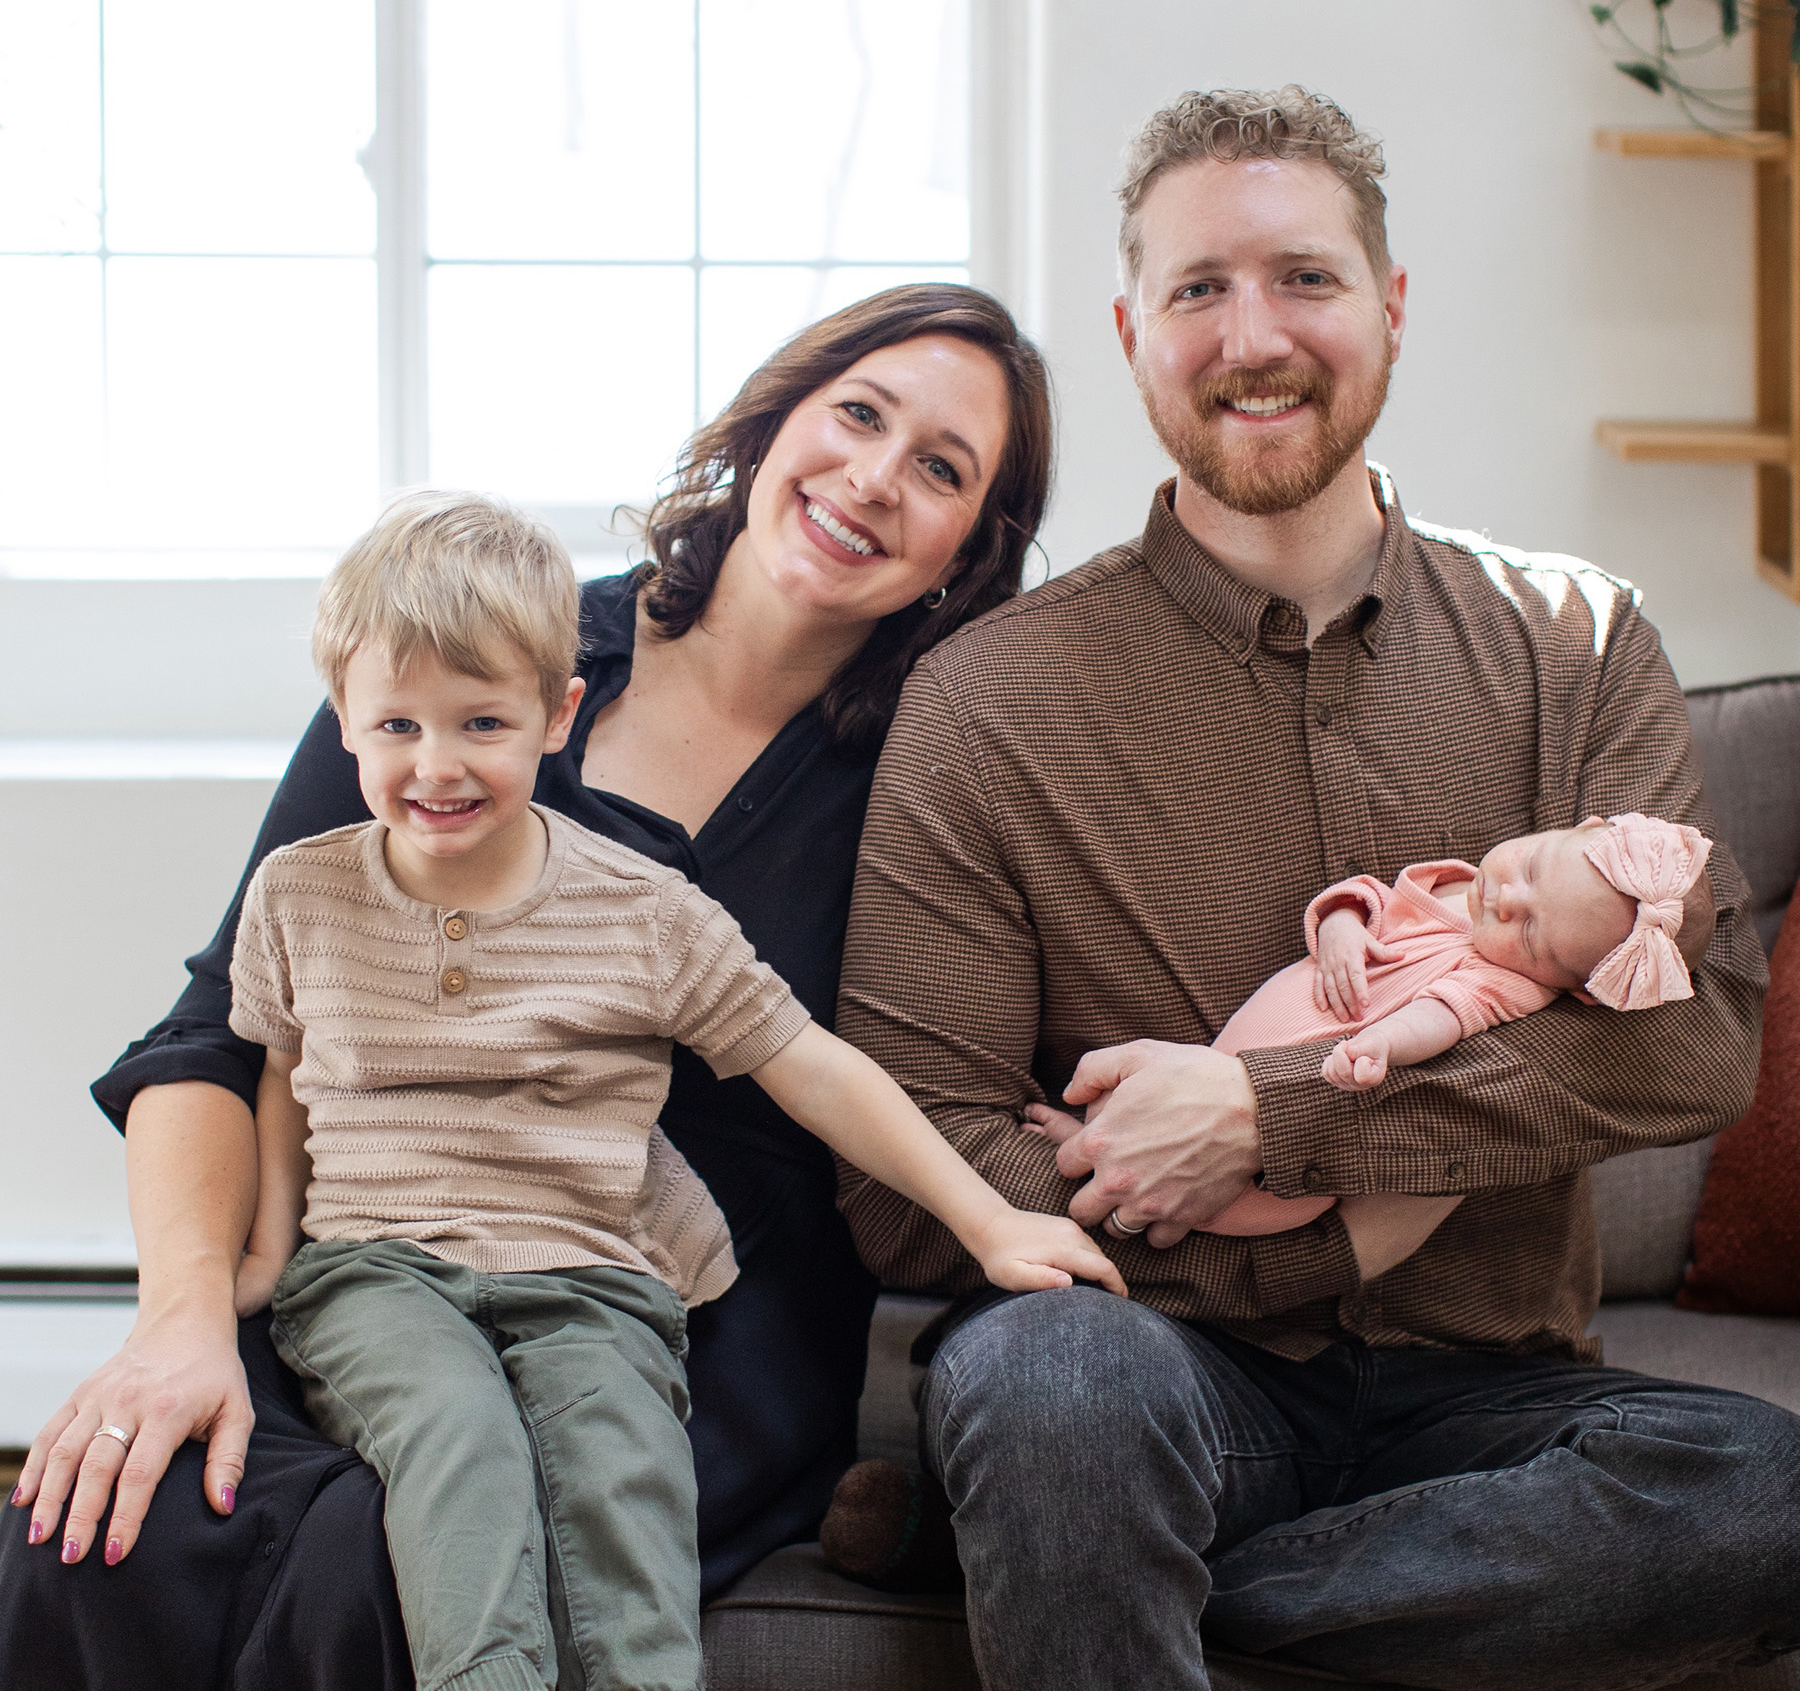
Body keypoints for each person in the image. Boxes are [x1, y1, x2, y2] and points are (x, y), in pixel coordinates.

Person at [833, 89, 1800, 1690]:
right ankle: (1083, 1518)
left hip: (1494, 1402)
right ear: (1135, 332)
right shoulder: (986, 699)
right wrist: (1300, 1253)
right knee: (1055, 1395)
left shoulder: (1579, 639)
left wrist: (1276, 1121)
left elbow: (1695, 1044)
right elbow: (911, 1168)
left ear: (1393, 308)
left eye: (1305, 277)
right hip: (1154, 1369)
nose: (1251, 335)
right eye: (1200, 291)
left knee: (1769, 1493)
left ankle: (1109, 1573)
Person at [0, 283, 1059, 1691]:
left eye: (941, 468)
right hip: (374, 1257)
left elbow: (892, 1073)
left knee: (405, 1558)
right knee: (109, 1532)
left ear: (965, 556)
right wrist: (185, 1314)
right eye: (857, 414)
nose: (874, 476)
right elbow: (218, 1033)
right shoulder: (476, 654)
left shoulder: (931, 777)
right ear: (772, 423)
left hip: (666, 1315)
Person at [219, 490, 1121, 1691]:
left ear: (559, 715)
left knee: (626, 1487)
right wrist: (268, 1252)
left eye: (481, 722)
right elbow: (281, 1072)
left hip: (593, 1274)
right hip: (378, 1266)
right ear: (346, 721)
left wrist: (990, 1216)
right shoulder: (300, 892)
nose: (436, 766)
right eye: (398, 726)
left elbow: (811, 1064)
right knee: (463, 1446)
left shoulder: (642, 909)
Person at [1159, 810, 1716, 1236]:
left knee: (1298, 1205)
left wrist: (1382, 1043)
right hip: (1237, 1045)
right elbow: (1367, 899)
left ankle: (1175, 1219)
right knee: (1159, 1083)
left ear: (1580, 992)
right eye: (1529, 868)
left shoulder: (1511, 983)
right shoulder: (1453, 883)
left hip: (1292, 1068)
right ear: (1580, 826)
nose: (1504, 899)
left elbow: (1441, 1018)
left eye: (1528, 934)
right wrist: (1341, 930)